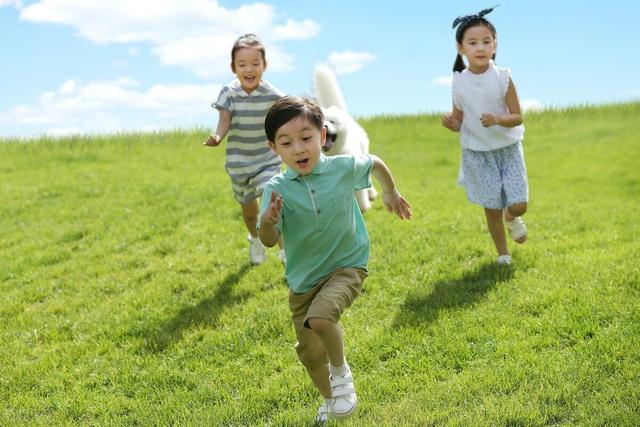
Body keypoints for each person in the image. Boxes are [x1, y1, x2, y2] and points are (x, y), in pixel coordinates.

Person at [258, 96, 411, 422]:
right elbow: (268, 242)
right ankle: (330, 399)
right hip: (303, 279)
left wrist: (390, 192)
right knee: (311, 357)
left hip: (347, 264)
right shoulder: (275, 189)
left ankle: (342, 375)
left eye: (306, 138)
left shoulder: (341, 167)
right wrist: (269, 221)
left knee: (323, 317)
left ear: (322, 135)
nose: (298, 149)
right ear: (274, 148)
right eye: (287, 143)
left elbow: (375, 163)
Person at [441, 6, 529, 265]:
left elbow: (518, 116)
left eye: (486, 42)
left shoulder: (503, 77)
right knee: (491, 206)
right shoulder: (459, 82)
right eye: (473, 42)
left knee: (519, 204)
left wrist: (497, 120)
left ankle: (512, 218)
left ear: (495, 45)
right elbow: (459, 122)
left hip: (508, 148)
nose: (480, 47)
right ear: (461, 48)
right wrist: (451, 123)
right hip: (477, 153)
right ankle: (503, 254)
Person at [203, 33, 284, 265]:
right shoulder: (229, 93)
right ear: (233, 67)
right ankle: (256, 239)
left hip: (267, 160)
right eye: (242, 64)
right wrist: (218, 136)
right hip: (239, 165)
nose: (249, 69)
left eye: (255, 64)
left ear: (264, 65)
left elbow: (288, 114)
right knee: (250, 213)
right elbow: (224, 119)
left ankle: (285, 252)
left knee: (273, 203)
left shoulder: (272, 94)